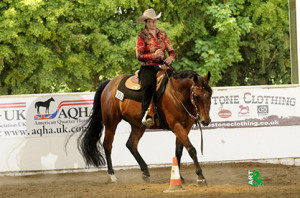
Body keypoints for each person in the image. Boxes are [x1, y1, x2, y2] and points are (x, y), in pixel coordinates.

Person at [136, 8, 175, 127]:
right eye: (151, 21)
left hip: (163, 66)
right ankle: (145, 115)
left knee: (175, 82)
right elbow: (139, 56)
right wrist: (153, 55)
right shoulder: (142, 36)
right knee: (149, 85)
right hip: (148, 67)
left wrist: (171, 58)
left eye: (155, 21)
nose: (153, 23)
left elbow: (171, 50)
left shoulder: (162, 33)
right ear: (146, 22)